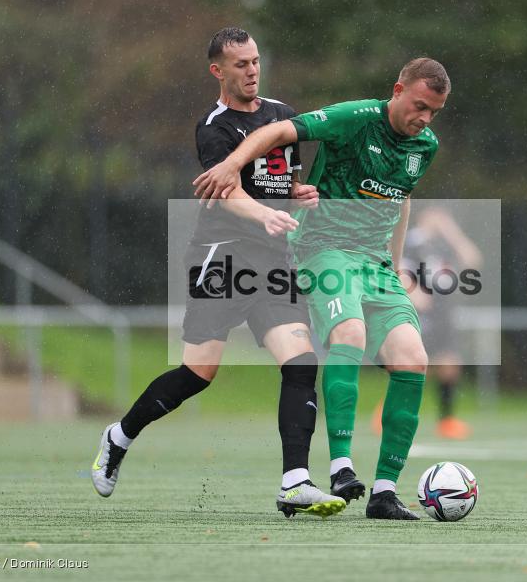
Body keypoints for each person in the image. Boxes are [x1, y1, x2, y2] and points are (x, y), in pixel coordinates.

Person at [91, 27, 347, 518]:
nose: (252, 71)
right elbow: (226, 191)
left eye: (255, 61)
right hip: (223, 258)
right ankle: (118, 436)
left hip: (273, 263)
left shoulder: (282, 116)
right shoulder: (214, 127)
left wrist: (294, 196)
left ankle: (295, 480)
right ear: (218, 71)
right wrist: (265, 214)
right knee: (197, 374)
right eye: (241, 65)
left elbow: (281, 181)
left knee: (301, 362)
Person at [193, 57, 451, 520]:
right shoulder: (354, 118)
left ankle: (385, 493)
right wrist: (232, 165)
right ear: (397, 90)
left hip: (374, 264)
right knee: (348, 333)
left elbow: (402, 196)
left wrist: (393, 269)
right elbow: (276, 132)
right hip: (322, 248)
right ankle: (341, 468)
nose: (425, 119)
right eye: (419, 106)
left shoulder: (424, 145)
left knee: (414, 357)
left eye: (434, 111)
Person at [376, 206, 482, 440]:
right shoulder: (412, 243)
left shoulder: (445, 245)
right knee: (410, 363)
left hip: (443, 314)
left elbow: (472, 260)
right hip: (417, 314)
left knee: (449, 364)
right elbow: (394, 268)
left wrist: (452, 232)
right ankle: (387, 411)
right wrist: (412, 292)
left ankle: (447, 420)